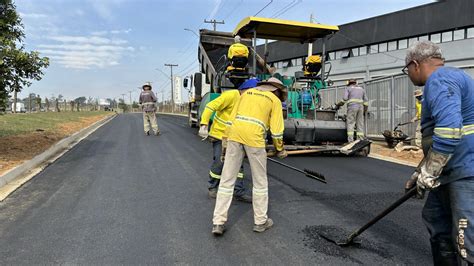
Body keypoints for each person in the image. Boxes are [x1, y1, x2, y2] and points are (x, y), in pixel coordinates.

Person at [403, 40, 474, 265]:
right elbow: (436, 137)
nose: (409, 75)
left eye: (407, 70)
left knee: (465, 237)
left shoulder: (439, 80)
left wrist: (430, 171)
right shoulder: (449, 79)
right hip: (449, 169)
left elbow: (450, 130)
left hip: (465, 170)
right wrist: (421, 171)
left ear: (415, 65)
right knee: (436, 220)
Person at [212, 77, 288, 236]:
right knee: (260, 182)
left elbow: (230, 120)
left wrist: (225, 146)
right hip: (254, 139)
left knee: (226, 180)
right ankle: (260, 222)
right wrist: (280, 150)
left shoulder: (246, 94)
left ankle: (218, 222)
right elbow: (276, 131)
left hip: (234, 135)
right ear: (276, 90)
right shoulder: (274, 100)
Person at [198, 79, 259, 203]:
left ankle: (238, 191)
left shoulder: (250, 101)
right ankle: (213, 187)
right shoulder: (231, 95)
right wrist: (204, 124)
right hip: (220, 135)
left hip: (236, 136)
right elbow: (211, 106)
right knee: (220, 162)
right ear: (245, 90)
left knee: (238, 164)